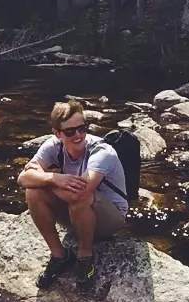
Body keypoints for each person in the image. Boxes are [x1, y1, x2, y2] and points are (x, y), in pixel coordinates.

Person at [19, 98, 128, 287]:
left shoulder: (102, 152)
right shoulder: (54, 146)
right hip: (75, 214)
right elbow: (22, 179)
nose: (78, 135)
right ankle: (59, 256)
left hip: (110, 219)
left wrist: (45, 179)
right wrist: (54, 178)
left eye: (82, 128)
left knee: (81, 197)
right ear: (57, 133)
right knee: (33, 192)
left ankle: (85, 256)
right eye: (70, 132)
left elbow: (79, 194)